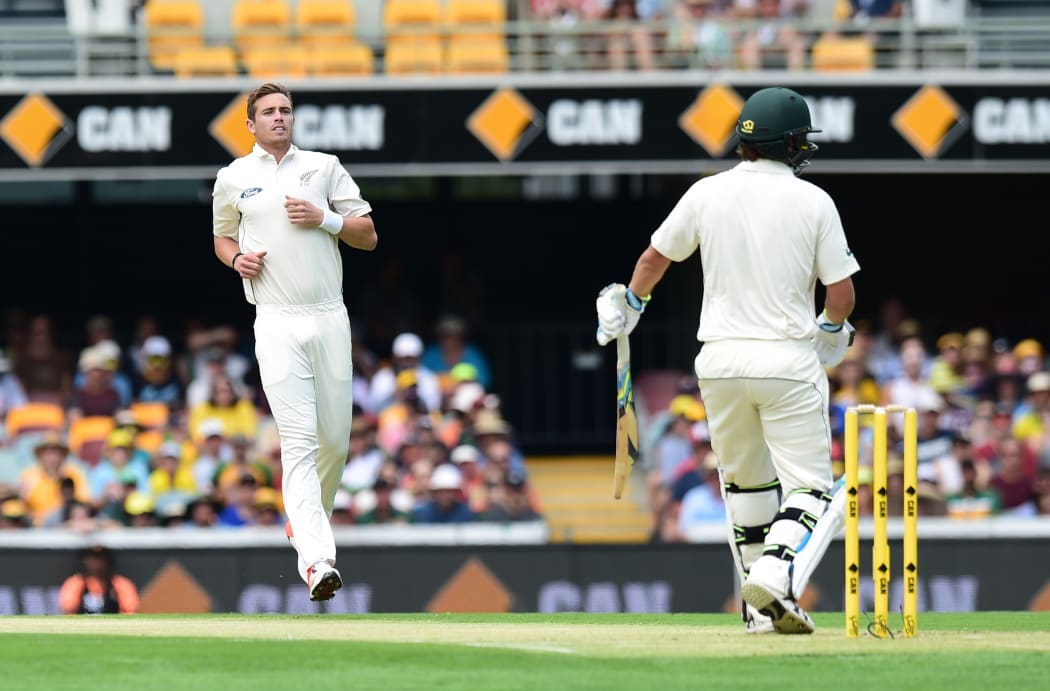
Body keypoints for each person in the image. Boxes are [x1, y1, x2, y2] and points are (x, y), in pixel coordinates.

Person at [595, 87, 859, 634]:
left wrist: (632, 304)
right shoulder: (814, 201)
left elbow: (652, 258)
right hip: (786, 360)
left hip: (717, 363)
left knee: (745, 489)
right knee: (810, 489)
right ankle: (774, 568)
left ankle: (759, 615)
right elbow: (841, 293)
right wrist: (832, 330)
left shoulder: (706, 192)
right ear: (789, 144)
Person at [211, 82, 377, 602]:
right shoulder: (234, 177)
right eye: (268, 112)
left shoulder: (324, 166)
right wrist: (237, 260)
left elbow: (367, 234)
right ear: (251, 124)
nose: (279, 118)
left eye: (285, 110)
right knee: (300, 442)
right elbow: (222, 237)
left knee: (334, 442)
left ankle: (303, 523)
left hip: (329, 317)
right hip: (276, 320)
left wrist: (323, 218)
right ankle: (317, 560)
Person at [59, 544, 140, 614]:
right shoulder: (76, 582)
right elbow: (68, 610)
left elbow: (130, 611)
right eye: (92, 558)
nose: (96, 562)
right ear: (85, 560)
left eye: (100, 558)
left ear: (107, 560)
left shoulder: (120, 583)